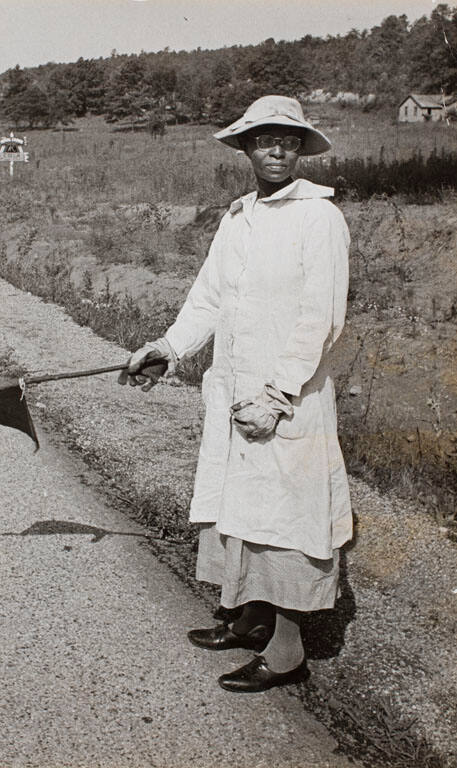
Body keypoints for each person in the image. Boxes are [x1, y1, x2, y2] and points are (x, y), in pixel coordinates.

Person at [118, 95, 352, 693]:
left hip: (287, 394)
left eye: (289, 140)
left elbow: (320, 317)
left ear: (300, 149)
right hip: (235, 387)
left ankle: (287, 650)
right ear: (246, 147)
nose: (277, 149)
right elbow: (210, 298)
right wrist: (167, 349)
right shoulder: (239, 215)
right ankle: (250, 618)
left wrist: (278, 394)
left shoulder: (318, 217)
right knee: (242, 507)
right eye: (265, 138)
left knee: (287, 517)